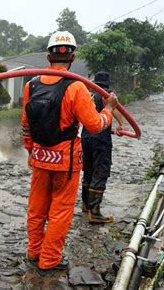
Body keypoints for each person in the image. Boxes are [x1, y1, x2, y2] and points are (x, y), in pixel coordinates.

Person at [21, 31, 118, 270]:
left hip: (40, 157)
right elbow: (95, 125)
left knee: (36, 209)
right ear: (72, 57)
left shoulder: (31, 85)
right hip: (66, 162)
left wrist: (31, 151)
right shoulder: (76, 87)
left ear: (48, 56)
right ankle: (49, 260)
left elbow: (26, 124)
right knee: (60, 212)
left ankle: (34, 252)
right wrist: (108, 110)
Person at [81, 71, 125, 224]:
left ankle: (86, 205)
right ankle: (95, 212)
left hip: (85, 137)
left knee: (88, 170)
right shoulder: (108, 94)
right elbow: (115, 109)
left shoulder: (89, 94)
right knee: (101, 171)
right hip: (100, 138)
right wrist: (121, 125)